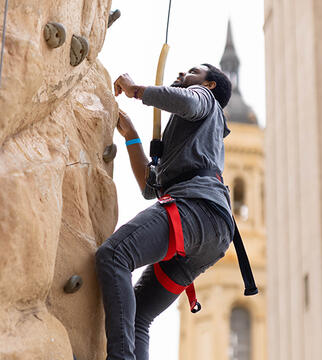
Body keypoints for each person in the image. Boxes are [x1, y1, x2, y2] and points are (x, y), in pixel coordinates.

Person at [95, 64, 234, 360]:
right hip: (209, 231)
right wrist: (132, 135)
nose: (184, 72)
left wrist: (135, 90)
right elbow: (150, 187)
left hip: (197, 210)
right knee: (139, 314)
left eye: (194, 71)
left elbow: (187, 100)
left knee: (115, 255)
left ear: (208, 85)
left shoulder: (204, 100)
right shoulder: (191, 138)